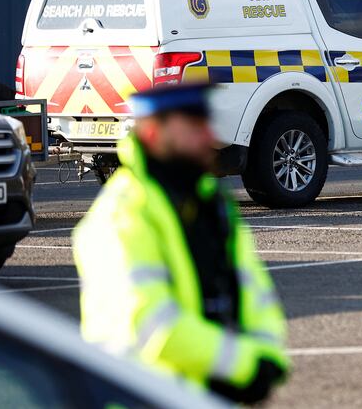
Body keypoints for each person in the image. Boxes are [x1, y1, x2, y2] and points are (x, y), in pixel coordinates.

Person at [73, 83, 288, 405]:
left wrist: (268, 358)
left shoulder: (213, 204)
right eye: (192, 127)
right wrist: (244, 365)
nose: (207, 136)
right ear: (152, 134)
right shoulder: (122, 214)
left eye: (206, 124)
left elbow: (253, 291)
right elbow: (150, 326)